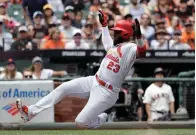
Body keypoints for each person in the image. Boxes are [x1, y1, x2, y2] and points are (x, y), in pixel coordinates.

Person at [16, 9, 146, 129]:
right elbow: (106, 41)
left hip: (107, 92)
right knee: (63, 88)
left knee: (80, 122)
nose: (114, 33)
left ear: (124, 34)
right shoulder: (114, 46)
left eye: (117, 32)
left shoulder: (130, 48)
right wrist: (104, 25)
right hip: (94, 81)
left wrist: (139, 37)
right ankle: (30, 112)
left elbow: (142, 52)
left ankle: (100, 119)